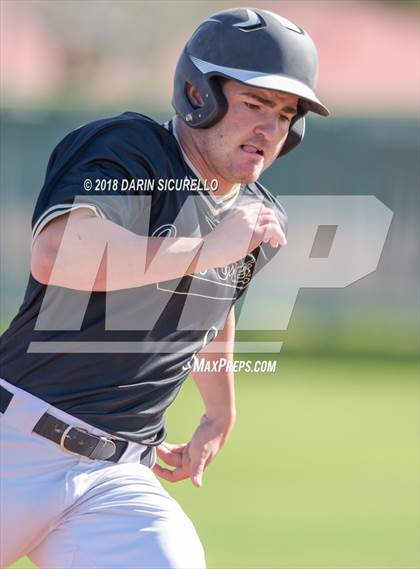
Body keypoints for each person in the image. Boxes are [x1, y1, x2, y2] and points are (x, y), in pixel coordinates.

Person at [0, 7, 329, 569]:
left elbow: (211, 308)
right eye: (254, 105)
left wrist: (220, 413)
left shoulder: (257, 217)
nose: (269, 129)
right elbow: (58, 253)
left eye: (284, 115)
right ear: (199, 94)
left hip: (117, 478)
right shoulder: (132, 150)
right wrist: (208, 246)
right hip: (16, 444)